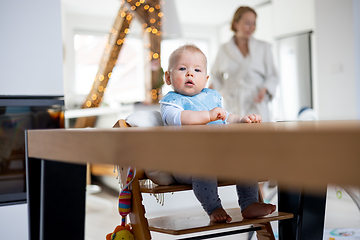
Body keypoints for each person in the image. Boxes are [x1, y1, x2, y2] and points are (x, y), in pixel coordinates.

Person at [159, 44, 275, 223]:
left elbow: (226, 116)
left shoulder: (211, 98)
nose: (190, 74)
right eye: (182, 68)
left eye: (197, 70)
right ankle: (214, 207)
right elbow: (181, 118)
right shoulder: (172, 102)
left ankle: (249, 203)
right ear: (168, 77)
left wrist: (242, 119)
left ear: (205, 79)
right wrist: (208, 116)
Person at [210, 6, 278, 122]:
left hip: (256, 101)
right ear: (235, 24)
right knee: (234, 138)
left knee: (258, 138)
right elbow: (216, 76)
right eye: (247, 23)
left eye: (254, 23)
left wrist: (265, 90)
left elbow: (272, 76)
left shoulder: (263, 47)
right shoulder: (224, 49)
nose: (251, 28)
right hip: (232, 103)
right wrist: (210, 90)